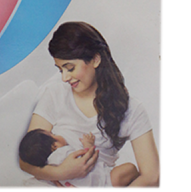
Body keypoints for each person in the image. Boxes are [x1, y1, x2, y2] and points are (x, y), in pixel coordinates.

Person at [19, 22, 161, 189]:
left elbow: (152, 177)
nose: (64, 78)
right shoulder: (55, 94)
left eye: (70, 68)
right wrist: (62, 173)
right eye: (60, 70)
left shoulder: (130, 109)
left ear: (95, 59)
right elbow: (25, 160)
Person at [19, 128, 139, 189]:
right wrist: (88, 145)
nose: (58, 135)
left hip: (92, 186)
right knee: (130, 168)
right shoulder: (62, 153)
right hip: (105, 180)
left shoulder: (49, 167)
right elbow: (86, 159)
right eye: (53, 134)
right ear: (54, 146)